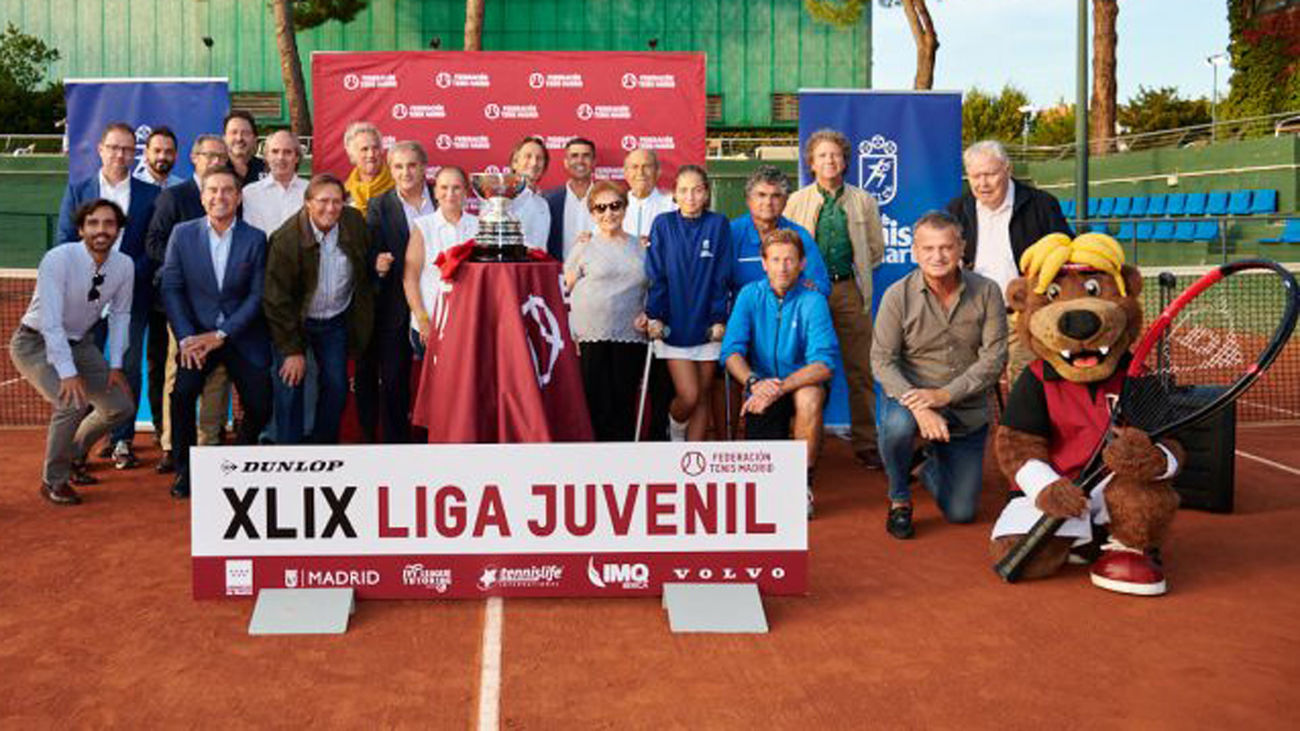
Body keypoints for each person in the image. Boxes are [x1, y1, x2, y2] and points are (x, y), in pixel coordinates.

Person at [870, 211, 1008, 539]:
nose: (937, 256)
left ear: (962, 248)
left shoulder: (988, 292)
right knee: (897, 426)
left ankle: (929, 464)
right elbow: (882, 361)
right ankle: (900, 497)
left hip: (966, 406)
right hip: (912, 396)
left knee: (961, 513)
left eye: (946, 247)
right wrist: (921, 406)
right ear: (915, 252)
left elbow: (994, 358)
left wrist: (944, 396)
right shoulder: (896, 296)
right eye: (928, 249)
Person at [11, 199, 135, 505]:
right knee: (71, 404)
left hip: (81, 344)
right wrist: (67, 374)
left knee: (120, 407)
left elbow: (121, 315)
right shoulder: (58, 259)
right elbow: (51, 322)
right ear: (81, 229)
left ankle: (75, 455)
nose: (101, 230)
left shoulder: (124, 266)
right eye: (93, 223)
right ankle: (54, 480)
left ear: (118, 230)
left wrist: (116, 364)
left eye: (109, 224)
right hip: (35, 343)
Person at [160, 167, 272, 499]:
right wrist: (186, 339)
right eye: (212, 190)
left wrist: (222, 334)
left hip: (241, 336)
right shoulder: (182, 234)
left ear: (238, 198)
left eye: (227, 191)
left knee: (261, 404)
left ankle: (237, 461)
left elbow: (256, 296)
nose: (219, 197)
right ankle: (185, 470)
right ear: (202, 196)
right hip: (194, 339)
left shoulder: (255, 238)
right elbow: (172, 288)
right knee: (181, 397)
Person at [56, 122, 160, 470]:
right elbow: (64, 240)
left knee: (127, 370)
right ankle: (77, 450)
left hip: (129, 301)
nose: (120, 154)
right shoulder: (78, 190)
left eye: (128, 149)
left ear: (135, 154)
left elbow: (152, 248)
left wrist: (124, 278)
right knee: (82, 376)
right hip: (82, 305)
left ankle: (122, 441)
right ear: (100, 149)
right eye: (114, 148)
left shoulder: (150, 195)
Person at [784, 128, 886, 469]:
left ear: (845, 162)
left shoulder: (863, 201)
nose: (830, 161)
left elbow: (875, 251)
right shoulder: (796, 201)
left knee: (861, 367)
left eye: (836, 155)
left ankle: (867, 442)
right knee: (801, 365)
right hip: (805, 293)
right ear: (811, 163)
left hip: (847, 291)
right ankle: (798, 439)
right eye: (822, 156)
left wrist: (848, 278)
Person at [721, 229, 838, 518]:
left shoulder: (814, 301)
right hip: (760, 385)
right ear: (764, 263)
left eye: (790, 260)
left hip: (797, 384)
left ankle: (802, 485)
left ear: (801, 264)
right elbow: (731, 351)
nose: (783, 267)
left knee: (810, 397)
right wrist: (753, 382)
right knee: (764, 484)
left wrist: (779, 387)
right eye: (775, 260)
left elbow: (823, 364)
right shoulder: (749, 295)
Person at [946, 139, 1073, 386]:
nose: (982, 183)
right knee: (969, 385)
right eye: (975, 176)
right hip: (975, 313)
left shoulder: (1042, 205)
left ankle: (1023, 425)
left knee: (1027, 384)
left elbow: (1066, 251)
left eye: (990, 174)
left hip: (1026, 314)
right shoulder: (957, 209)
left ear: (1008, 170)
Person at [264, 173, 374, 445]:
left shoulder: (354, 223)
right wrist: (291, 350)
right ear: (308, 204)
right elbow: (277, 300)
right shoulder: (286, 240)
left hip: (334, 321)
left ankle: (323, 451)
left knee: (336, 388)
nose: (330, 208)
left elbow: (364, 267)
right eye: (323, 201)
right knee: (291, 386)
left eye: (337, 201)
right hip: (295, 323)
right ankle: (288, 455)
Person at [144, 134, 232, 473]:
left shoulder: (231, 194)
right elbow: (153, 242)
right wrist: (182, 266)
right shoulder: (174, 196)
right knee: (176, 375)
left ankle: (209, 440)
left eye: (220, 156)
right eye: (209, 155)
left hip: (221, 309)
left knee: (219, 375)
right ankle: (171, 445)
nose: (215, 161)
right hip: (181, 310)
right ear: (194, 158)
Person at [645, 165, 732, 442]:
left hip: (708, 324)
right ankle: (675, 425)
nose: (691, 196)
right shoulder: (663, 224)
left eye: (697, 190)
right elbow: (656, 274)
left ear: (706, 193)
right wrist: (655, 315)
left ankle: (692, 458)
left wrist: (719, 319)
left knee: (703, 394)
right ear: (674, 195)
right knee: (689, 395)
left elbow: (722, 275)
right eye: (684, 190)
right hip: (673, 323)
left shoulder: (718, 224)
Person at [358, 141, 434, 443]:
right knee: (393, 383)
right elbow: (371, 253)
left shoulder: (442, 198)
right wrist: (377, 264)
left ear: (424, 167)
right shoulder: (379, 205)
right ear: (391, 169)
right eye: (399, 166)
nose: (406, 172)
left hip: (440, 307)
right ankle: (395, 448)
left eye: (412, 165)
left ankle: (441, 442)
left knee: (443, 381)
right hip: (394, 309)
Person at [564, 181, 648, 441]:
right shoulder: (583, 246)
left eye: (615, 206)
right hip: (591, 334)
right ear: (592, 213)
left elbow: (654, 287)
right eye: (600, 208)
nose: (608, 213)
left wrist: (649, 313)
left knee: (624, 400)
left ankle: (622, 462)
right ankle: (597, 462)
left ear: (625, 208)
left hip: (631, 331)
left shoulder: (642, 247)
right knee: (595, 401)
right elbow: (566, 286)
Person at [403, 165, 478, 357]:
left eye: (457, 187)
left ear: (466, 191)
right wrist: (423, 320)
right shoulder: (423, 226)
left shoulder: (480, 226)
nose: (450, 193)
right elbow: (410, 278)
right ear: (435, 192)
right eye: (444, 187)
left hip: (470, 325)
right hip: (432, 323)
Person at [730, 165, 830, 297]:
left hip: (790, 312)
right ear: (748, 199)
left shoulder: (799, 235)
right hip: (744, 313)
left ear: (786, 201)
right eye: (761, 195)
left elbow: (821, 285)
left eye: (776, 196)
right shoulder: (732, 233)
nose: (768, 202)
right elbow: (718, 285)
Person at [241, 130, 308, 236]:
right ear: (266, 157)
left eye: (287, 152)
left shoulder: (310, 191)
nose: (280, 157)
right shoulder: (249, 193)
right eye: (275, 151)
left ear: (297, 158)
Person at [543, 137, 597, 261]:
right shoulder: (550, 201)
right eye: (574, 156)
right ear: (566, 162)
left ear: (594, 162)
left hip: (600, 276)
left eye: (586, 156)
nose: (580, 161)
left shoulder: (607, 200)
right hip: (560, 275)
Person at [506, 135, 552, 251]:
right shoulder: (502, 199)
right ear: (515, 163)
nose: (534, 163)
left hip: (538, 267)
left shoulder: (543, 204)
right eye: (528, 156)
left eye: (539, 158)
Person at [620, 149, 676, 241]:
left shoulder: (672, 206)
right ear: (625, 173)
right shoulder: (614, 205)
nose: (640, 173)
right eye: (634, 167)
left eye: (646, 166)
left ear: (658, 172)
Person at [342, 121, 393, 214]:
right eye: (364, 149)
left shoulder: (399, 187)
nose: (371, 154)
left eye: (375, 148)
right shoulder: (344, 193)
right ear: (352, 154)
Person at [222, 110, 267, 185]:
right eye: (234, 132)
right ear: (224, 138)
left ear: (255, 139)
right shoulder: (217, 169)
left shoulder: (267, 169)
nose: (239, 138)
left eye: (245, 133)